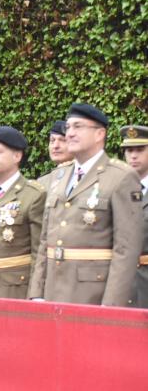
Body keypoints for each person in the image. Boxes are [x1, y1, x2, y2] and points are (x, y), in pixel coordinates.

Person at [28, 104, 143, 306]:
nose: (70, 133)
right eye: (69, 128)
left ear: (99, 134)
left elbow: (126, 250)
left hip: (92, 295)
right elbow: (45, 241)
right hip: (53, 291)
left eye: (78, 127)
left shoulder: (120, 177)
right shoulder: (59, 177)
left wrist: (111, 306)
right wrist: (37, 292)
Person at [0, 127, 46, 299]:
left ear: (17, 156)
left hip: (15, 291)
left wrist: (36, 295)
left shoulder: (33, 195)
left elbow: (39, 252)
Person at [120, 125, 148, 307]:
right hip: (123, 282)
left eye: (140, 150)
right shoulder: (116, 189)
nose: (134, 156)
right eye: (129, 150)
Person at [37, 121, 72, 190]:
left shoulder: (80, 177)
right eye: (52, 140)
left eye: (62, 140)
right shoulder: (43, 181)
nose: (55, 146)